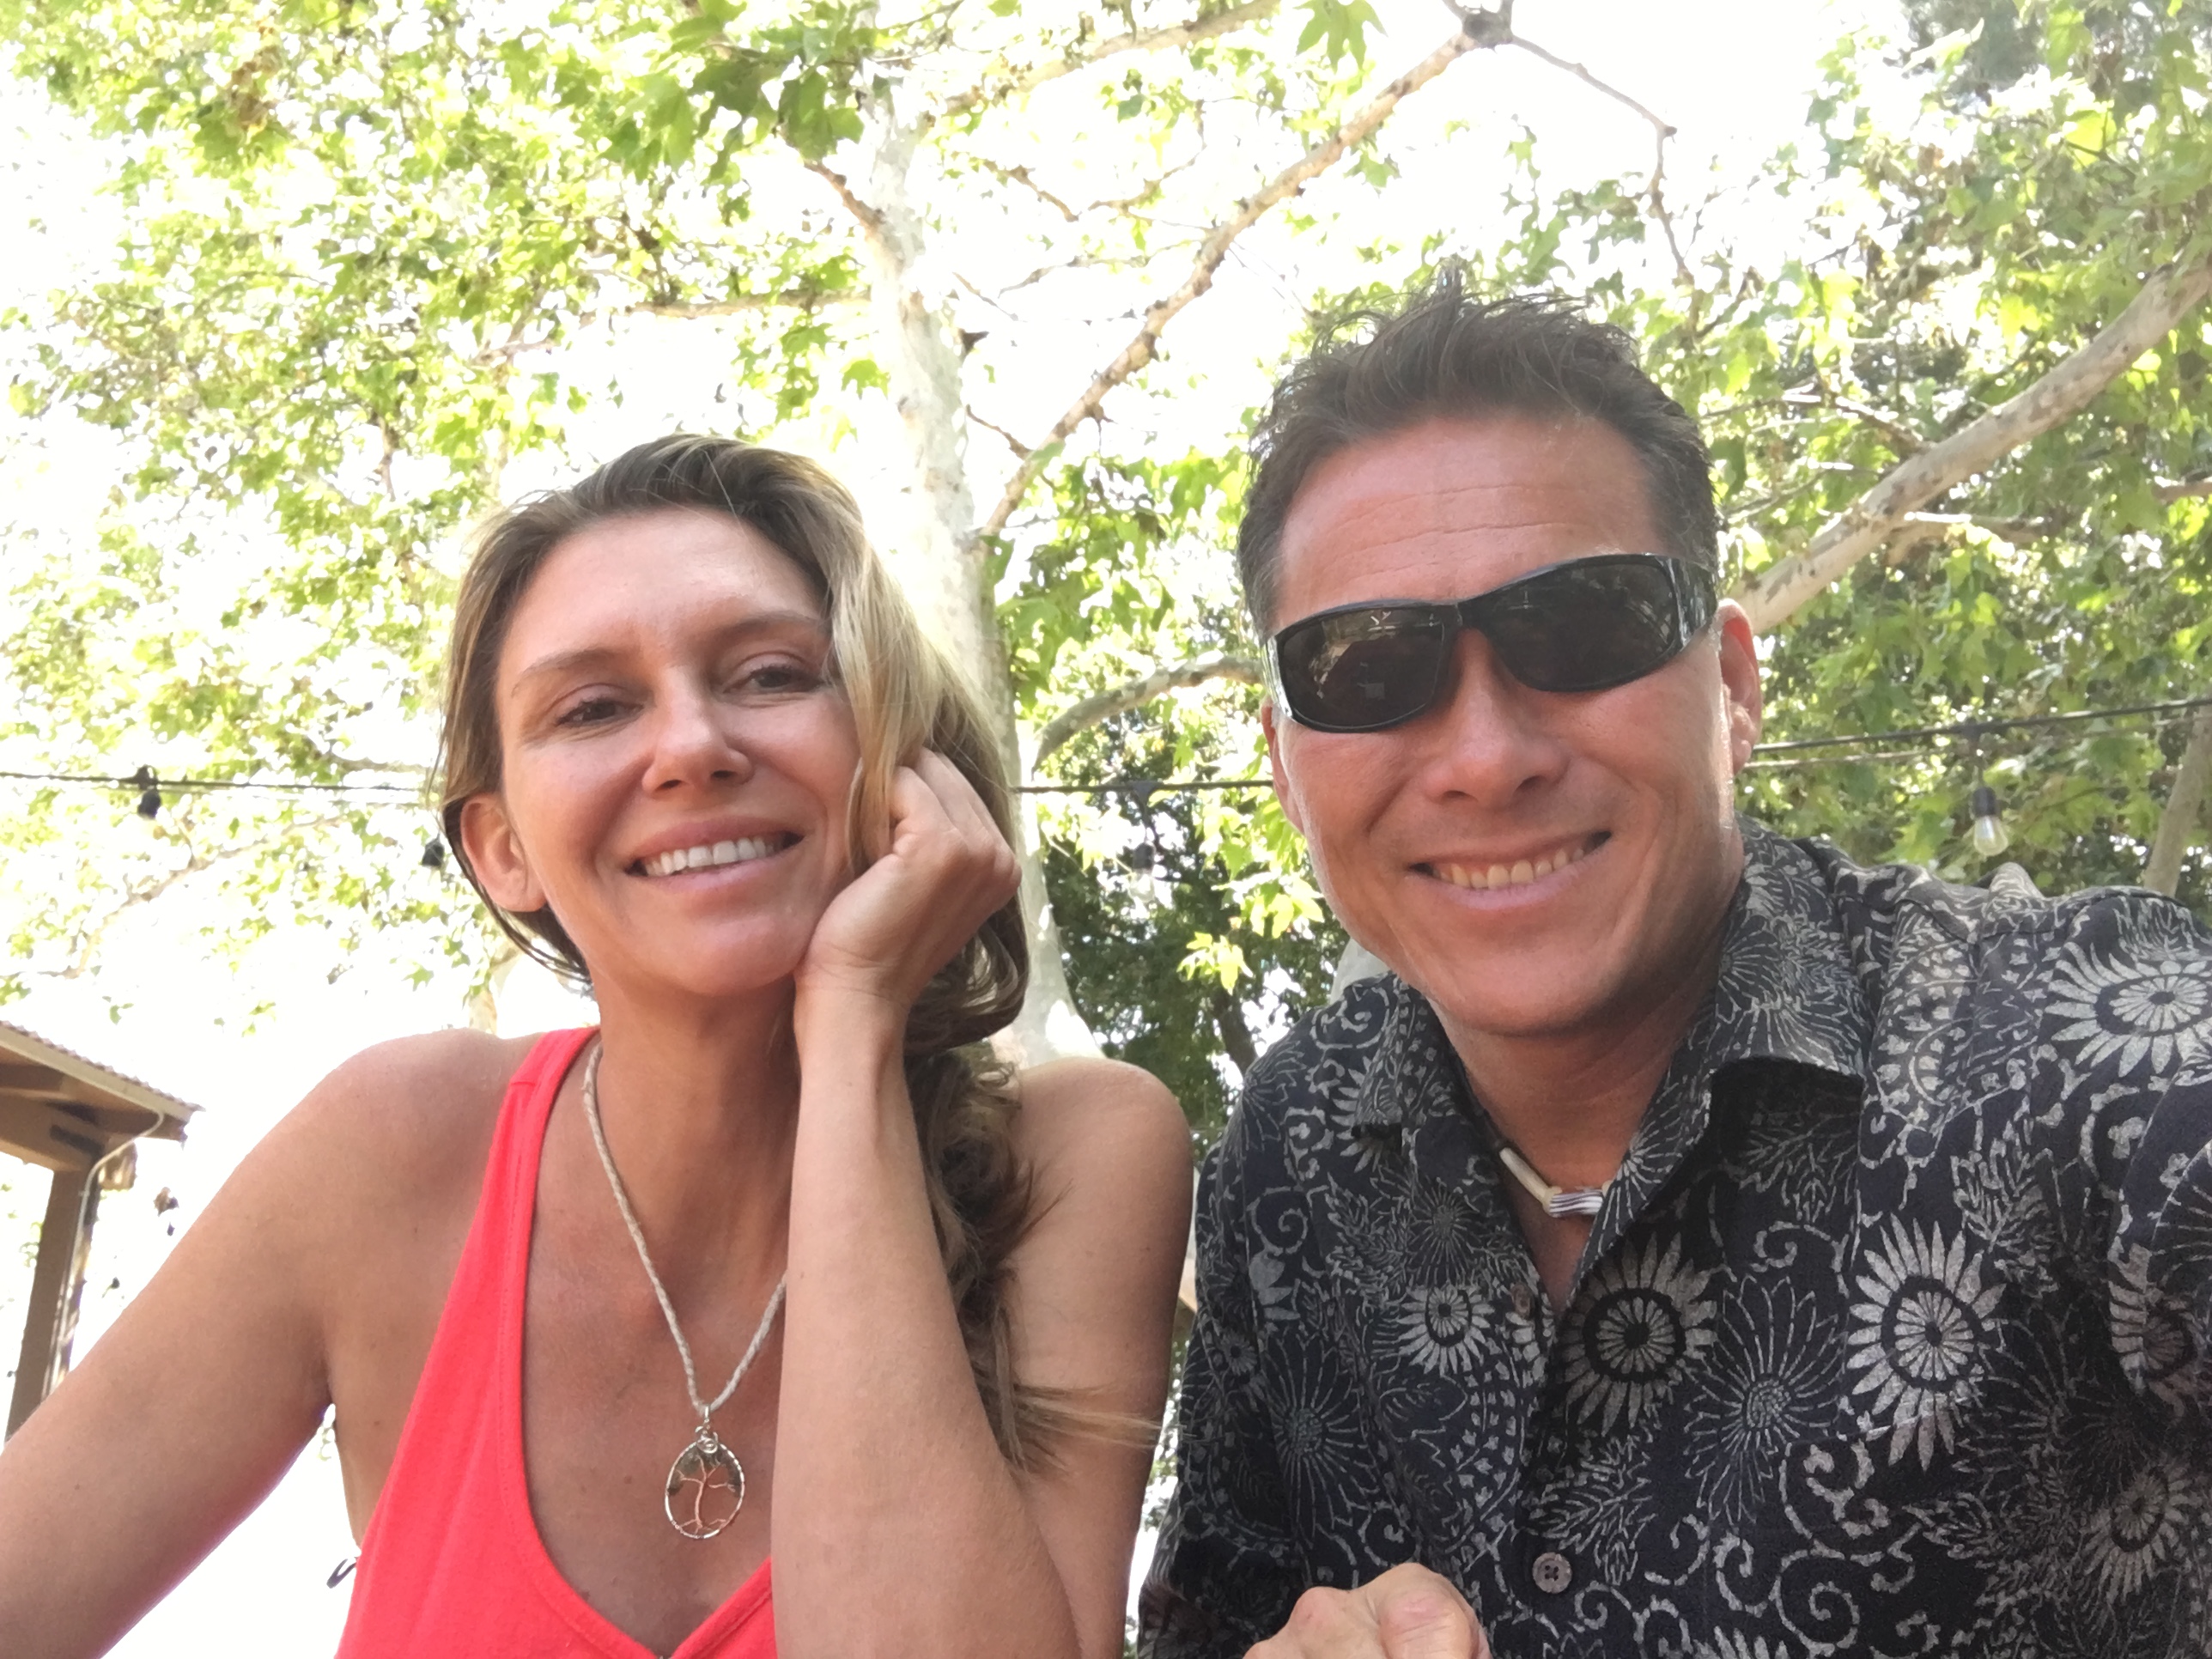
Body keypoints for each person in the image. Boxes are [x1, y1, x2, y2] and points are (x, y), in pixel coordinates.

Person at [1137, 273, 2212, 1657]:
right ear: (1287, 768)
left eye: (1581, 628)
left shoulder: (2086, 1052)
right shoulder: (1292, 1152)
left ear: (1736, 687)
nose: (1486, 758)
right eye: (1367, 668)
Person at [0, 435, 1193, 1658]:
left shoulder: (1078, 1155)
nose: (692, 746)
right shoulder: (394, 1150)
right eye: (594, 709)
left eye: (772, 675)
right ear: (502, 848)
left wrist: (850, 1024)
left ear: (901, 759)